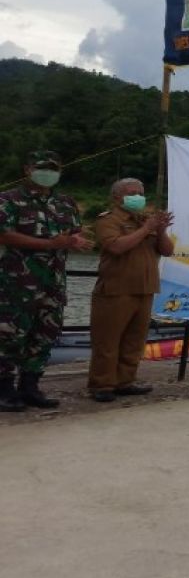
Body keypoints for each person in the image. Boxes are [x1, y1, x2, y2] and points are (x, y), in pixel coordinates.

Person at [0, 150, 93, 411]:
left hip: (53, 281)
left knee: (45, 333)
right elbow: (4, 235)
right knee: (10, 334)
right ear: (28, 169)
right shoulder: (8, 200)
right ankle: (4, 389)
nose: (48, 173)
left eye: (54, 168)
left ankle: (30, 387)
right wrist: (50, 244)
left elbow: (71, 234)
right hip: (16, 282)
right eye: (43, 167)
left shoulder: (66, 203)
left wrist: (75, 241)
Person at [88, 178, 175, 402]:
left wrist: (161, 230)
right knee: (107, 340)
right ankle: (102, 385)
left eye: (140, 192)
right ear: (117, 197)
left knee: (134, 341)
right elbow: (116, 247)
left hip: (145, 289)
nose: (138, 196)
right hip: (116, 289)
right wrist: (146, 229)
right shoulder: (109, 220)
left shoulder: (146, 220)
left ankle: (125, 381)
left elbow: (167, 251)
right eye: (131, 193)